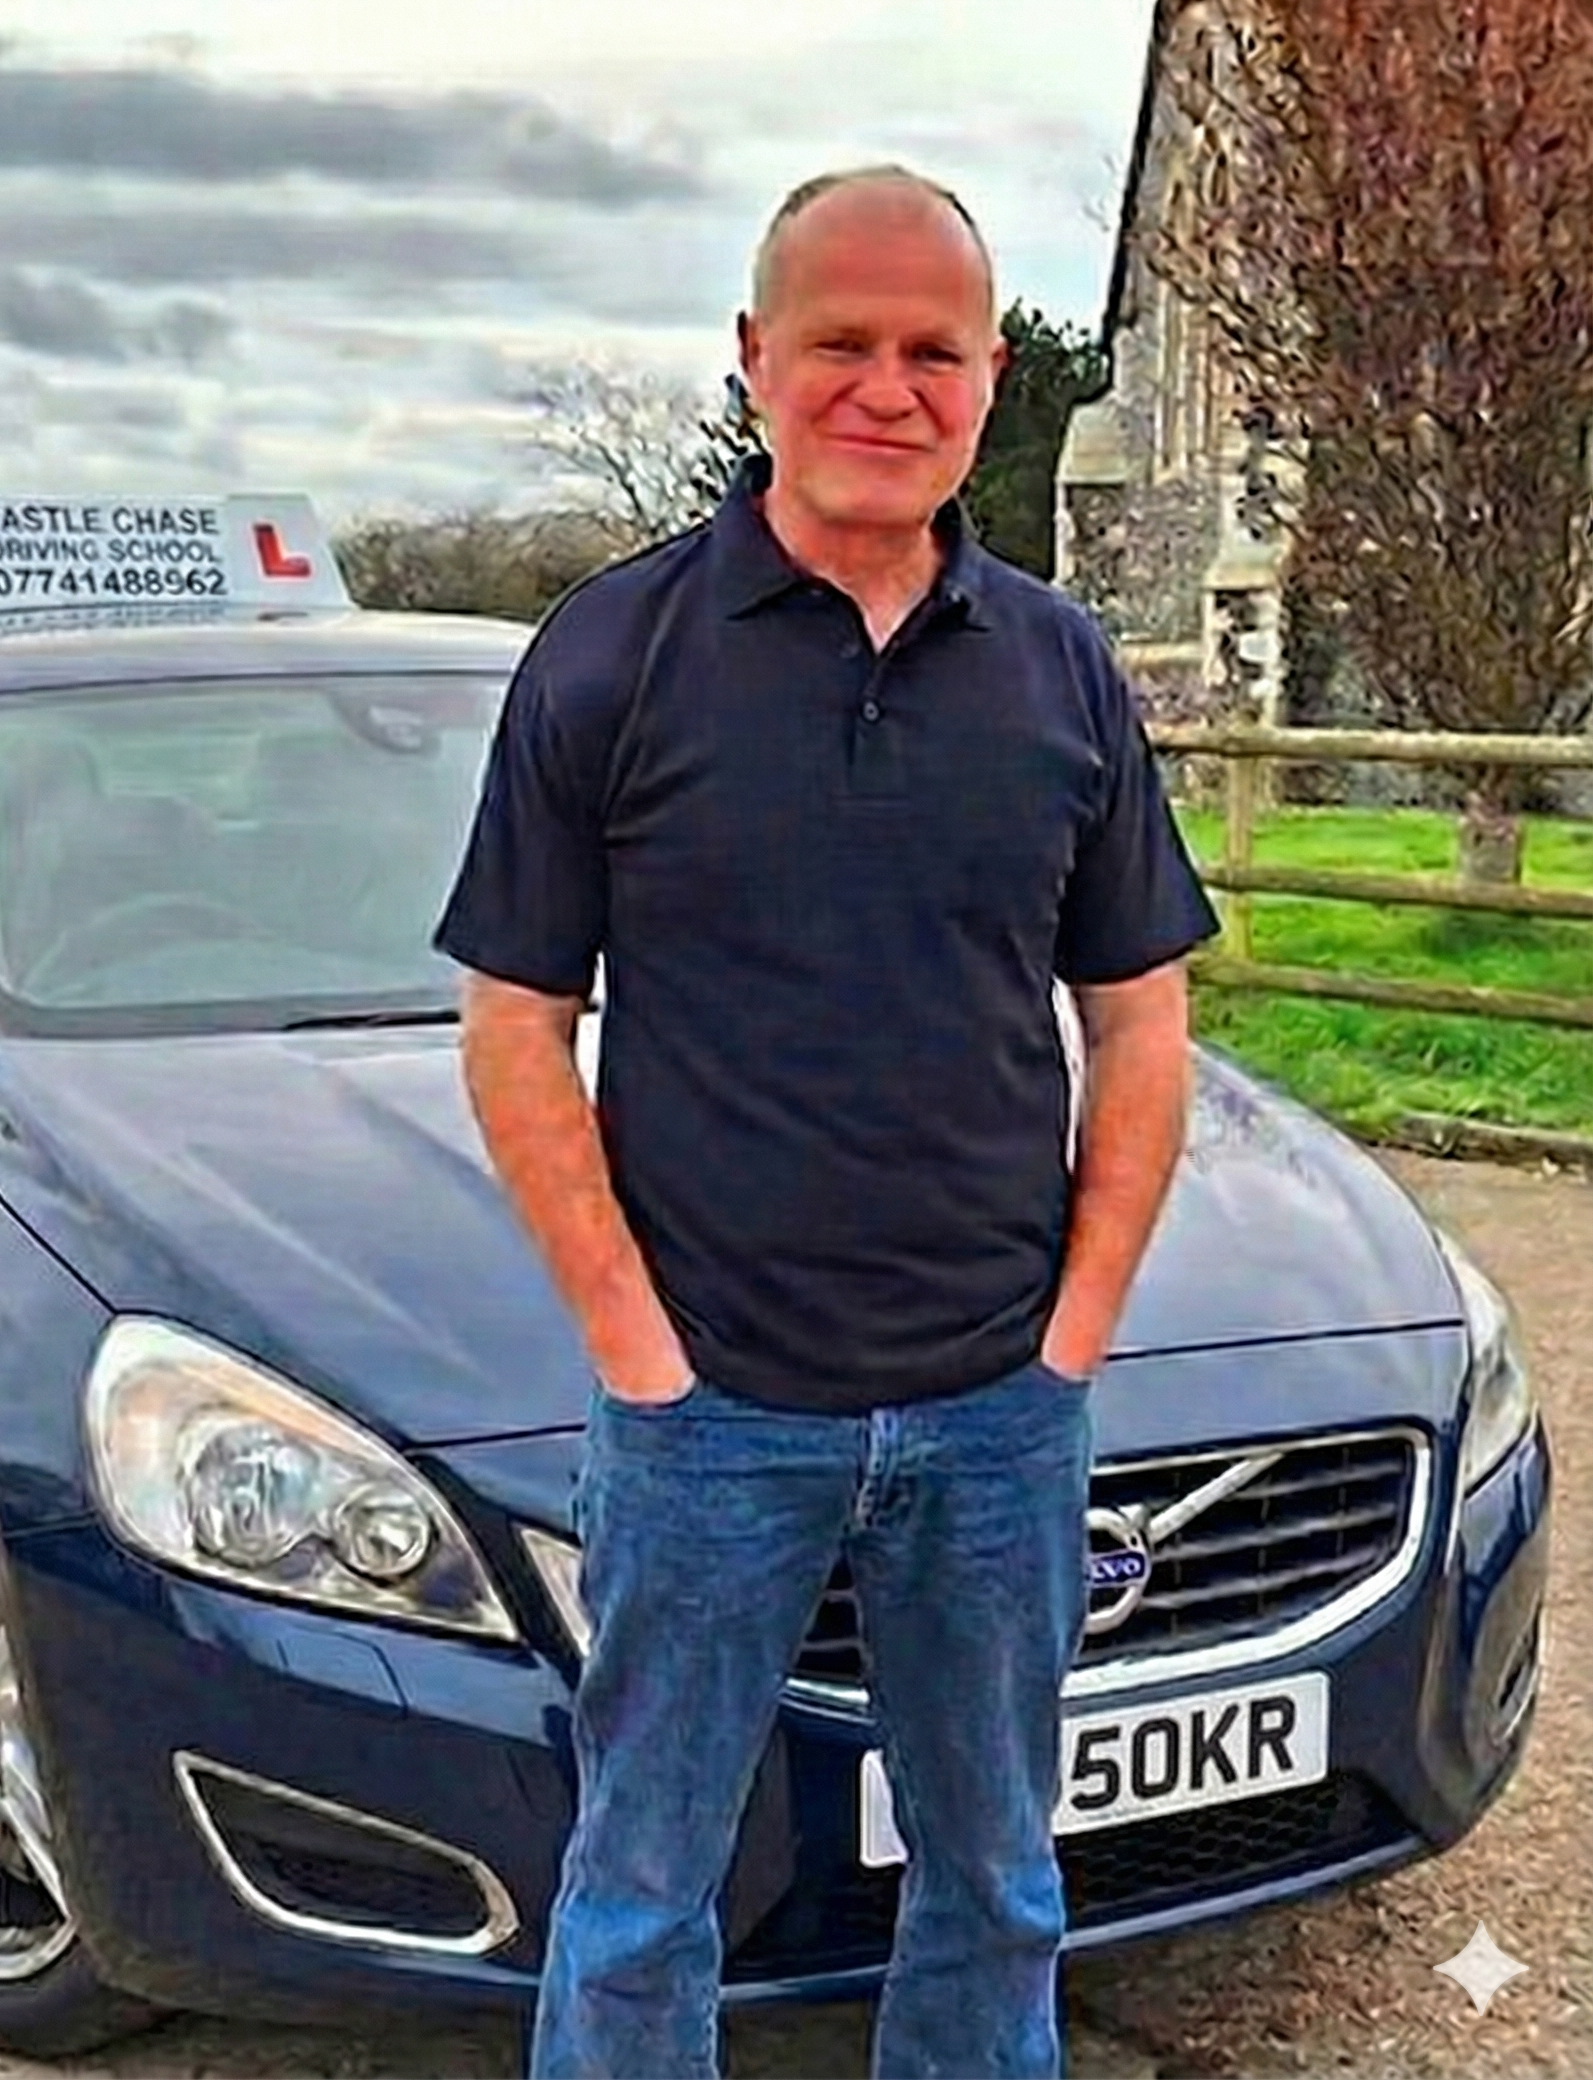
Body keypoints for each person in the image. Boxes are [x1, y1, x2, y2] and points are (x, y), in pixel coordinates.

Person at [433, 165, 1219, 2080]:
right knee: (639, 1904)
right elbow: (517, 1032)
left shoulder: (1060, 671)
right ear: (755, 362)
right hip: (713, 1424)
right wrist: (639, 1352)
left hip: (995, 1416)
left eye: (934, 349)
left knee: (1000, 1886)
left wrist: (1070, 1344)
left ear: (984, 374)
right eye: (841, 344)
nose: (889, 386)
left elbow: (1143, 1022)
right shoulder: (614, 656)